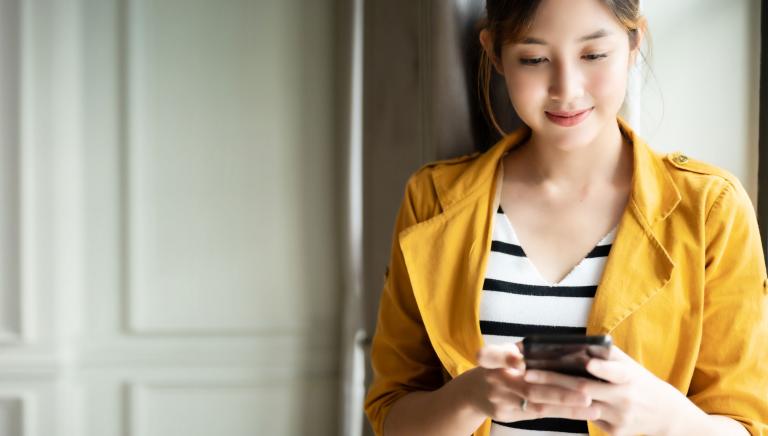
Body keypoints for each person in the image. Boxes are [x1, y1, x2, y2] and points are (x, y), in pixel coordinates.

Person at [363, 0, 768, 435]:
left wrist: (660, 416)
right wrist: (471, 395)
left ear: (634, 42)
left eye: (593, 55)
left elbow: (746, 424)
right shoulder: (434, 200)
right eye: (534, 59)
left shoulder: (710, 209)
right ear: (495, 53)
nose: (566, 88)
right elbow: (393, 413)